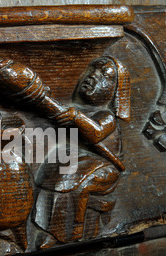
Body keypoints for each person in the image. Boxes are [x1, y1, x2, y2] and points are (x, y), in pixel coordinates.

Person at [33, 56, 131, 244]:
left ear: (115, 91)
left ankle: (72, 231)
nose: (93, 75)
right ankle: (50, 229)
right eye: (92, 70)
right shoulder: (76, 110)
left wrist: (76, 117)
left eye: (105, 75)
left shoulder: (106, 115)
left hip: (106, 169)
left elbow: (96, 133)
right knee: (51, 172)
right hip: (81, 163)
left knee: (70, 179)